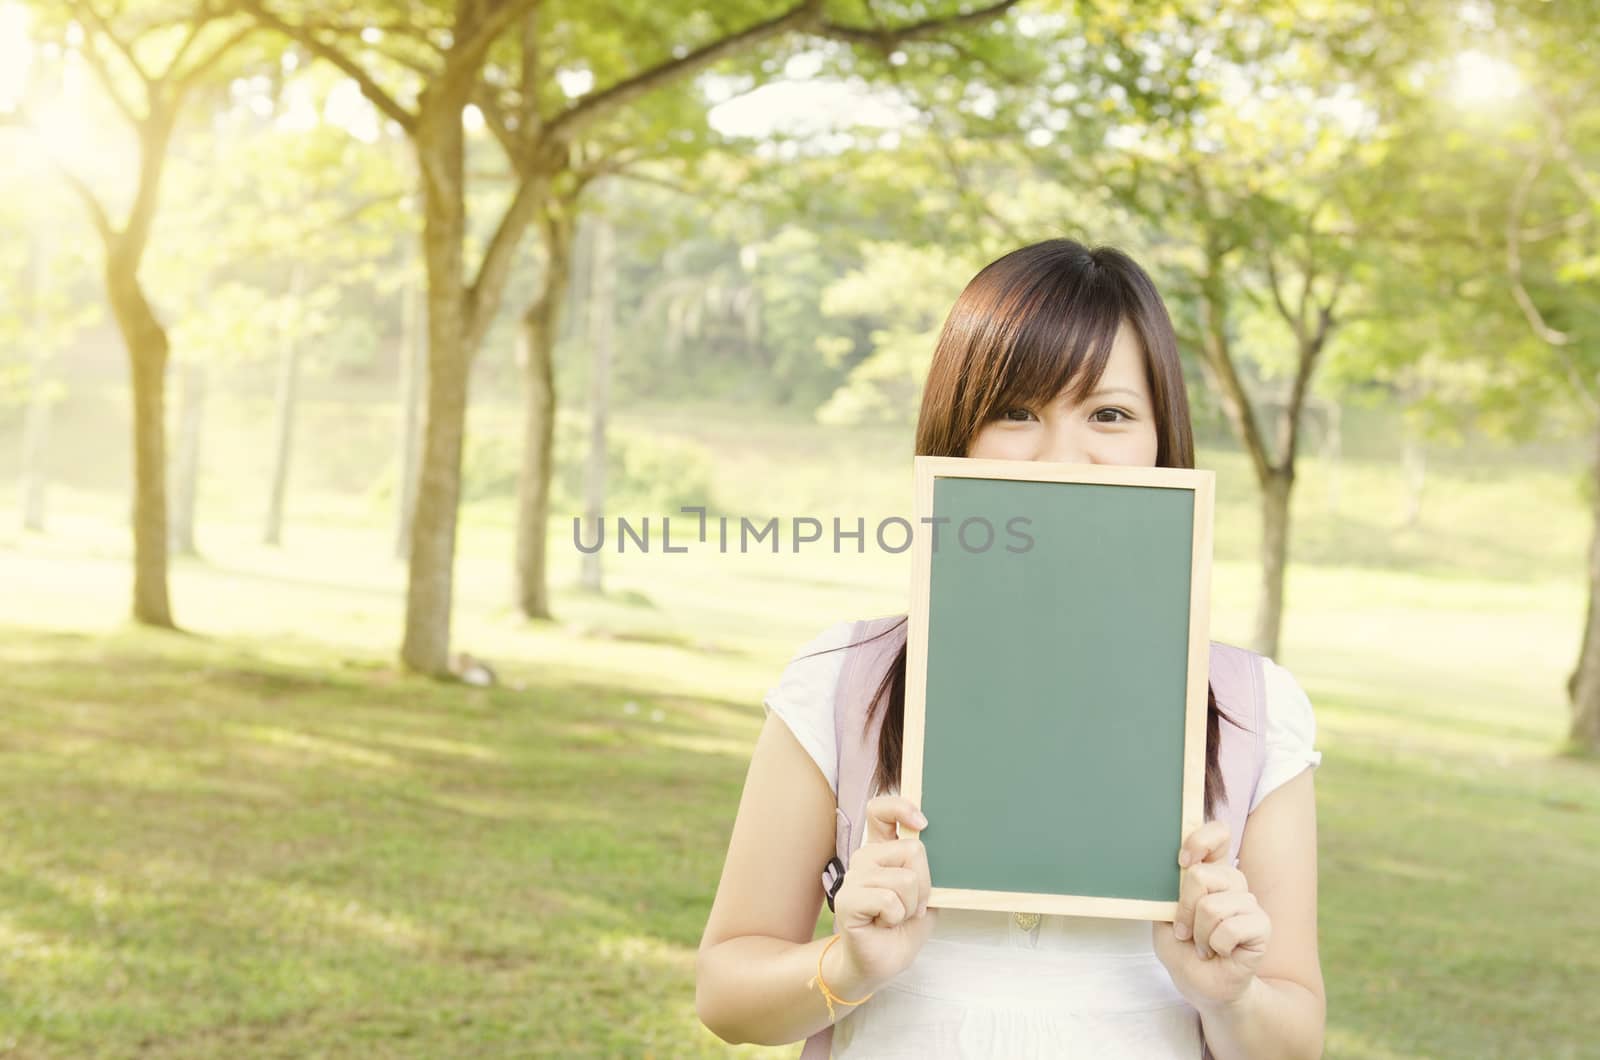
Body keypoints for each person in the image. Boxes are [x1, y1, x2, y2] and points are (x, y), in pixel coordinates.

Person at [695, 239, 1326, 1058]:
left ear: (1163, 442)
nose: (1063, 457)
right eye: (1017, 412)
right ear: (957, 433)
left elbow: (1295, 1039)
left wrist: (1230, 996)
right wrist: (847, 964)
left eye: (1109, 415)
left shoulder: (1255, 708)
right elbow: (726, 994)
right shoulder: (842, 682)